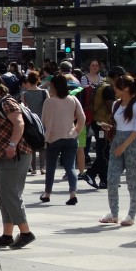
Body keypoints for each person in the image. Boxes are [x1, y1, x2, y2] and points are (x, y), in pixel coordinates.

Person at [0, 73, 36, 249]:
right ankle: (7, 235)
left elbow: (19, 124)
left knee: (9, 194)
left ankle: (26, 233)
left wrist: (12, 144)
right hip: (1, 156)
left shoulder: (6, 102)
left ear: (0, 87)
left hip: (14, 155)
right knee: (2, 196)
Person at [99, 73, 136, 227]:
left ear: (126, 88)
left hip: (133, 144)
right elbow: (119, 124)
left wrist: (123, 146)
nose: (114, 89)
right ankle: (114, 213)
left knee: (132, 182)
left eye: (117, 86)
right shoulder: (116, 104)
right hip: (117, 141)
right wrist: (110, 128)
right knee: (112, 178)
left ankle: (131, 215)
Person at [40, 74, 85, 205]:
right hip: (71, 137)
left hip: (53, 138)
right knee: (70, 167)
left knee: (51, 167)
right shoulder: (73, 99)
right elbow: (82, 117)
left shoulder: (49, 101)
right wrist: (77, 130)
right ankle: (72, 194)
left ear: (54, 86)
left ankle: (47, 193)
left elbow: (44, 120)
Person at [20, 71, 47, 176]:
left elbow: (24, 109)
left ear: (28, 81)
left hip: (30, 122)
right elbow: (47, 106)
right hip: (42, 120)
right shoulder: (44, 92)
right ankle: (43, 168)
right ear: (38, 80)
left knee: (31, 145)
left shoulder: (24, 94)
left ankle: (33, 168)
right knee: (42, 145)